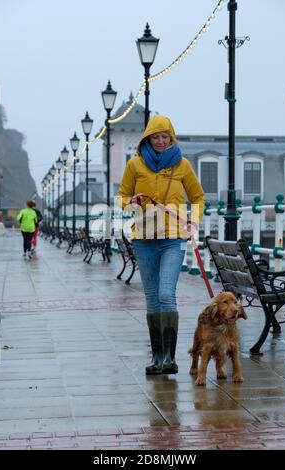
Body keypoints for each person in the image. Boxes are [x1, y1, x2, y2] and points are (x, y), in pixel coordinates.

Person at [118, 115, 205, 375]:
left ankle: (170, 358)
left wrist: (194, 221)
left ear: (171, 138)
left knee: (166, 293)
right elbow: (122, 197)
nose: (160, 141)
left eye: (164, 136)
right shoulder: (135, 165)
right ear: (147, 138)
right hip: (144, 238)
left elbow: (198, 197)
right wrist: (131, 201)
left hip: (173, 238)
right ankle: (157, 358)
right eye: (155, 137)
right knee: (152, 298)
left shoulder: (182, 165)